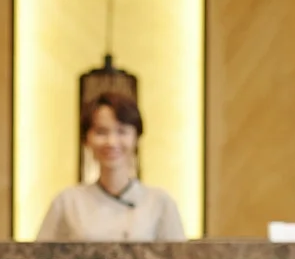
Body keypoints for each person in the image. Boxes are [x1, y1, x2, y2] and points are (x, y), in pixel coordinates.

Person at [34, 91, 185, 241]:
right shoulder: (67, 202)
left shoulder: (160, 203)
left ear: (136, 137)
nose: (111, 142)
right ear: (86, 139)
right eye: (101, 132)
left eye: (122, 131)